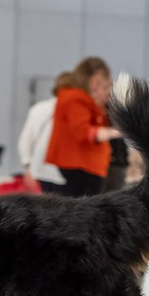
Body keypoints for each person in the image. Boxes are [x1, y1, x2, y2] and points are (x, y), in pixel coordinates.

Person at [45, 56, 122, 197]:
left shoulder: (84, 100)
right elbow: (83, 131)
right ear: (93, 80)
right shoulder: (75, 98)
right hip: (79, 165)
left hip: (87, 165)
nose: (106, 89)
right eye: (103, 83)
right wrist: (118, 132)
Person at [17, 71, 72, 194]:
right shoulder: (72, 112)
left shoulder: (38, 109)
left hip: (39, 171)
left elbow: (25, 141)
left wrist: (27, 167)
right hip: (63, 173)